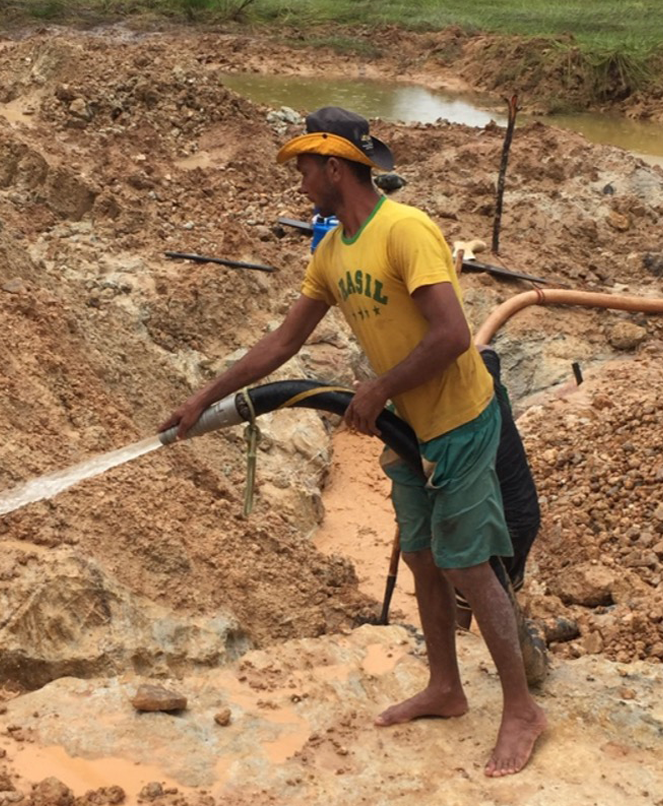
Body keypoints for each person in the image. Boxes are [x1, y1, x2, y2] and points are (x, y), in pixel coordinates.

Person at [160, 106, 547, 777]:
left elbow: (454, 334)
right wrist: (204, 397)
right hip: (408, 426)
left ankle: (520, 707)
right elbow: (284, 343)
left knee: (466, 561)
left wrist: (376, 388)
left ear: (335, 167)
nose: (299, 180)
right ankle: (446, 686)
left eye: (305, 167)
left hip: (457, 419)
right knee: (425, 556)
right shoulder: (333, 251)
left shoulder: (405, 230)